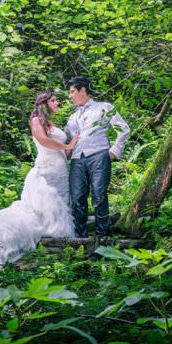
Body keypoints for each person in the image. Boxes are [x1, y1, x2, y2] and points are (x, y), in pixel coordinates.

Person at [0, 91, 80, 265]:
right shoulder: (36, 120)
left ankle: (56, 230)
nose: (58, 103)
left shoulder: (50, 123)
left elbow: (64, 150)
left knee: (62, 199)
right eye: (54, 100)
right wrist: (67, 144)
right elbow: (42, 140)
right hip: (47, 168)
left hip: (61, 167)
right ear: (44, 103)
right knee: (45, 200)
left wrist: (74, 144)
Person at [65, 76, 130, 239]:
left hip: (99, 156)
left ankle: (102, 237)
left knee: (99, 195)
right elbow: (66, 139)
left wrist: (114, 150)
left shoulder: (104, 107)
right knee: (77, 196)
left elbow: (124, 129)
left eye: (72, 92)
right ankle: (80, 238)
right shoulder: (72, 118)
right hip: (77, 160)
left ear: (83, 90)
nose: (70, 96)